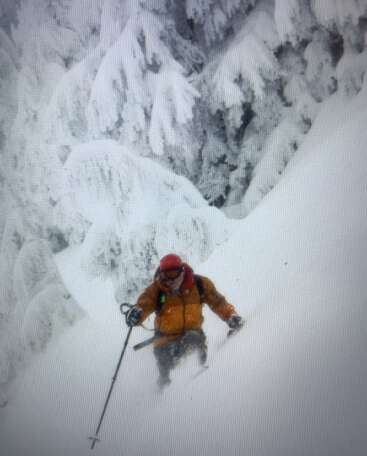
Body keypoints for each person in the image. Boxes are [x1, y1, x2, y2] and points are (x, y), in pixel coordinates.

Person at [126, 253, 243, 388]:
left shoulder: (199, 284)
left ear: (181, 271)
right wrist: (136, 314)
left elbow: (218, 302)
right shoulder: (157, 289)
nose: (169, 279)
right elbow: (144, 304)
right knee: (167, 376)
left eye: (173, 273)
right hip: (164, 342)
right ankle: (163, 397)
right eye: (166, 274)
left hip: (194, 336)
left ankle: (198, 382)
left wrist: (230, 316)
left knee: (192, 340)